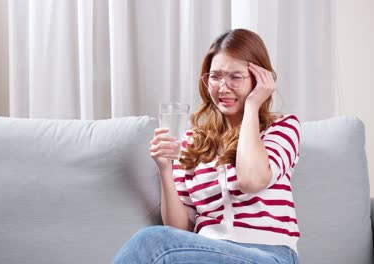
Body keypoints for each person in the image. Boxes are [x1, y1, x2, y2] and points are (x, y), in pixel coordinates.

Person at [112, 28, 300, 264]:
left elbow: (252, 180)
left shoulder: (281, 128)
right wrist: (165, 169)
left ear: (259, 79)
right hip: (206, 252)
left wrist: (252, 106)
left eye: (235, 77)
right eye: (216, 76)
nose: (223, 87)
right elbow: (180, 228)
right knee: (159, 242)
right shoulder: (192, 141)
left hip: (269, 255)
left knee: (152, 241)